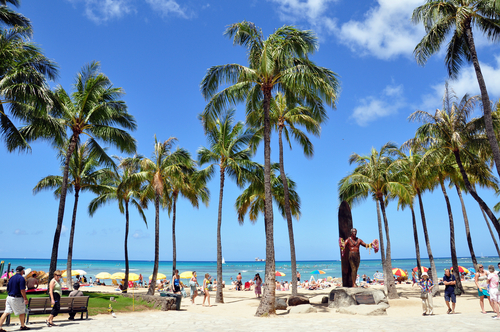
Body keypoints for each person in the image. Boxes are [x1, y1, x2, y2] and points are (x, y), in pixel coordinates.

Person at [0, 266, 30, 331]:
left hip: (9, 297)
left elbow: (8, 289)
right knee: (22, 312)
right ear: (22, 271)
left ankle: (0, 326)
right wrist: (25, 298)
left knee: (6, 312)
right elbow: (22, 290)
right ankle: (22, 326)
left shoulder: (11, 278)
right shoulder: (21, 279)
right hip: (17, 298)